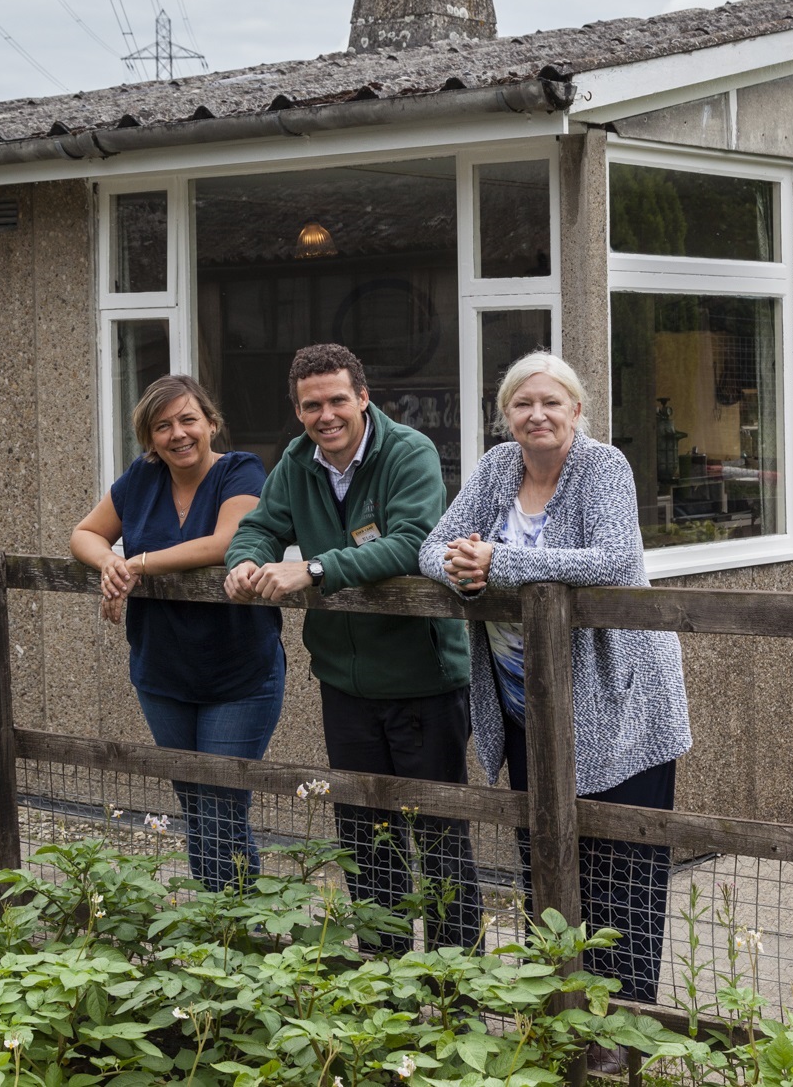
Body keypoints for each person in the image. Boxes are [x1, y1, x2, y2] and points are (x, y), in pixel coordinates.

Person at [419, 351, 691, 1026]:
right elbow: (431, 546)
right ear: (506, 414)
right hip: (525, 709)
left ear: (576, 410)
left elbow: (614, 559)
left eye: (550, 402)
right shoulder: (496, 467)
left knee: (621, 872)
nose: (535, 414)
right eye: (521, 403)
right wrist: (462, 569)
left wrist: (500, 561)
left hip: (620, 702)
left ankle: (621, 1025)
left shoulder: (605, 467)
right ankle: (562, 1010)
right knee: (544, 861)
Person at [223, 343, 481, 954]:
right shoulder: (297, 460)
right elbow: (259, 526)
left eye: (338, 400)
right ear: (298, 410)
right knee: (365, 834)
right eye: (311, 405)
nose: (326, 415)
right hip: (344, 683)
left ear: (364, 398)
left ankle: (454, 985)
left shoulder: (408, 452)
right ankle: (384, 974)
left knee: (439, 835)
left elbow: (411, 543)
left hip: (424, 681)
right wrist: (243, 563)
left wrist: (311, 569)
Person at [71, 374, 284, 892]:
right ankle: (221, 921)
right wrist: (109, 564)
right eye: (162, 426)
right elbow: (84, 534)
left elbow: (226, 542)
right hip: (163, 673)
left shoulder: (241, 472)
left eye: (189, 419)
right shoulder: (138, 481)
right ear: (149, 438)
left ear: (211, 424)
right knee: (193, 800)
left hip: (239, 675)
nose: (178, 434)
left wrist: (136, 563)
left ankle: (234, 922)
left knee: (221, 803)